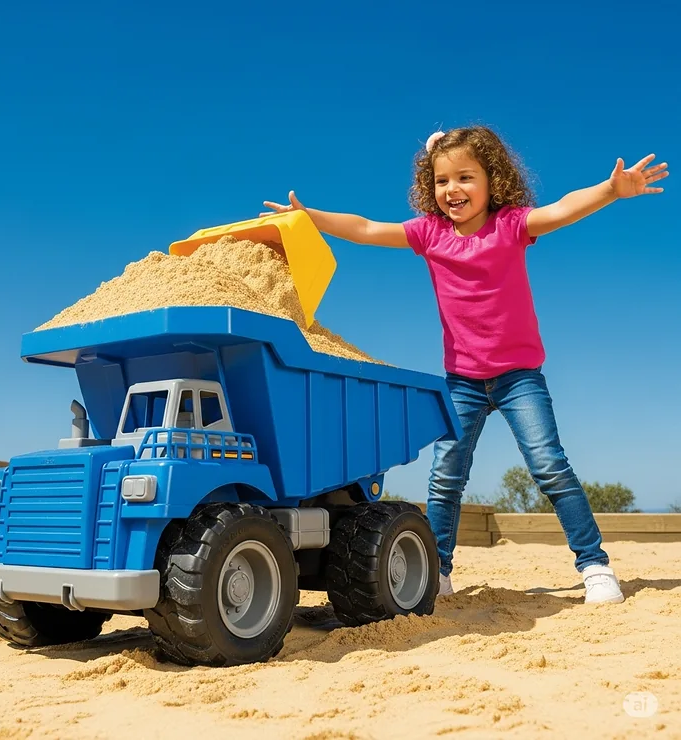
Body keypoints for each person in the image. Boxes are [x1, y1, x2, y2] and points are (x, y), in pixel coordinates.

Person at [262, 125, 669, 605]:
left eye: (465, 177)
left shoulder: (511, 224)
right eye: (442, 181)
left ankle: (595, 566)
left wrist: (610, 190)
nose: (452, 190)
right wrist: (310, 217)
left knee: (550, 468)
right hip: (463, 382)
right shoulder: (429, 234)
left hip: (519, 379)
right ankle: (440, 570)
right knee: (446, 477)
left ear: (492, 180)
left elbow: (561, 210)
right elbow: (367, 228)